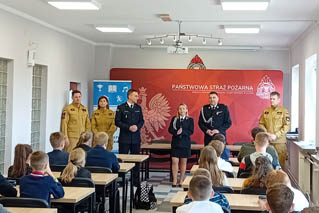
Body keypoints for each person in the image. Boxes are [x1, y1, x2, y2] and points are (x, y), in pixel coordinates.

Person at [115, 89, 144, 185]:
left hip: (135, 138)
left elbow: (141, 121)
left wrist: (137, 126)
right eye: (135, 96)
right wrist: (128, 127)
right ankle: (122, 180)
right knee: (122, 159)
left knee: (136, 159)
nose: (137, 97)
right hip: (124, 138)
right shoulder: (121, 107)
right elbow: (117, 121)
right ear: (129, 96)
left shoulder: (138, 108)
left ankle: (135, 180)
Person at [259, 91, 290, 169]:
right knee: (267, 164)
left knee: (280, 165)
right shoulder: (266, 111)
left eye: (273, 99)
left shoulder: (284, 111)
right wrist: (266, 133)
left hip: (280, 143)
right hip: (268, 142)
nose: (271, 100)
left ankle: (279, 181)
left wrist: (276, 135)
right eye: (270, 99)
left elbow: (287, 126)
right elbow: (261, 123)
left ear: (279, 100)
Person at [168, 104, 194, 187]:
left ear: (186, 110)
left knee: (183, 162)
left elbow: (191, 131)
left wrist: (182, 132)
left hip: (185, 143)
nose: (182, 110)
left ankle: (181, 179)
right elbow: (170, 129)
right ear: (178, 110)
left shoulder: (190, 120)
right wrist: (176, 132)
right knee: (175, 161)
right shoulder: (174, 119)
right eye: (180, 109)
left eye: (183, 109)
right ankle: (175, 180)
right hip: (176, 143)